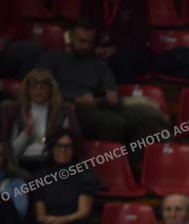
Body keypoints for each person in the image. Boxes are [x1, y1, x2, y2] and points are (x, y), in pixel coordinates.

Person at [37, 18, 168, 170]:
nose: (86, 46)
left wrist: (112, 94)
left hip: (99, 106)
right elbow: (39, 89)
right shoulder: (53, 58)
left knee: (153, 123)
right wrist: (73, 99)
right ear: (70, 37)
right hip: (68, 109)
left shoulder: (98, 63)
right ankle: (113, 168)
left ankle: (128, 167)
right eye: (81, 41)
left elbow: (111, 89)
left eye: (90, 42)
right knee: (114, 122)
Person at [1, 68, 82, 173]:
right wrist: (26, 132)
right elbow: (12, 154)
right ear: (27, 90)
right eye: (33, 86)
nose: (38, 90)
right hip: (23, 163)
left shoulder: (62, 113)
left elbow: (67, 148)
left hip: (51, 164)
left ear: (51, 89)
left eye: (43, 86)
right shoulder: (17, 112)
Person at [80, 0, 154, 83]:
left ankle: (127, 90)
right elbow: (81, 28)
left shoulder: (137, 3)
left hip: (125, 52)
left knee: (122, 59)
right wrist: (93, 48)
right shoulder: (89, 2)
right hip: (94, 49)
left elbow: (140, 36)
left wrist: (116, 49)